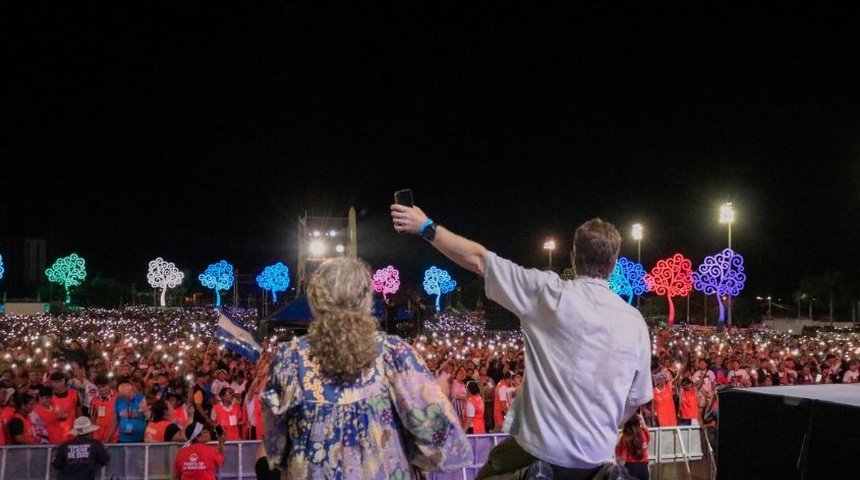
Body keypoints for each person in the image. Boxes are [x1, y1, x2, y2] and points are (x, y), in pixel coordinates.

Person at [391, 205, 653, 479]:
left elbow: (479, 260)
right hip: (598, 453)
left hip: (541, 448)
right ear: (613, 263)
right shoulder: (634, 321)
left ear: (574, 256)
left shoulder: (549, 293)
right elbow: (635, 399)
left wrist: (426, 227)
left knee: (490, 473)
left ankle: (527, 477)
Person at [258, 256, 472, 479]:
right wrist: (437, 395)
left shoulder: (291, 358)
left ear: (315, 299)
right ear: (366, 299)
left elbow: (276, 447)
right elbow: (434, 437)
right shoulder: (395, 354)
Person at [51, 416, 110, 480]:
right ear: (90, 431)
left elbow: (56, 465)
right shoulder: (95, 444)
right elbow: (104, 460)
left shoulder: (64, 446)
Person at [614, 413, 650, 480]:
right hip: (644, 468)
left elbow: (622, 458)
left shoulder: (625, 437)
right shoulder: (643, 434)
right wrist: (643, 422)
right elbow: (648, 437)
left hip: (630, 468)